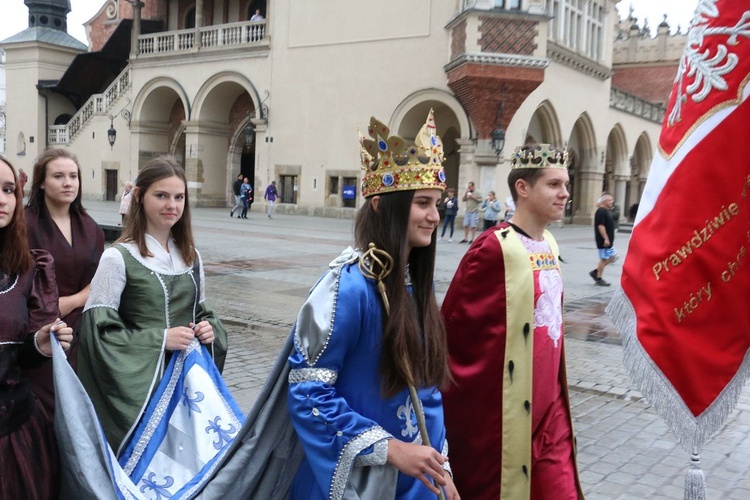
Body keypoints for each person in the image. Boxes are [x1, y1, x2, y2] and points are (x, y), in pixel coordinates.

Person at [287, 112, 459, 499]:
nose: (434, 216)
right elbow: (307, 393)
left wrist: (442, 474)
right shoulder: (347, 288)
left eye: (437, 204)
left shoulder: (414, 286)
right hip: (356, 482)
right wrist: (391, 450)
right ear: (382, 206)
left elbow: (426, 392)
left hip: (416, 483)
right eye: (422, 203)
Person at [441, 144, 584, 499]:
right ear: (523, 188)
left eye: (565, 184)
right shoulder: (492, 249)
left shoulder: (549, 244)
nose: (565, 193)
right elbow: (457, 337)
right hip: (508, 421)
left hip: (552, 414)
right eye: (554, 185)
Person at [78, 157, 229, 455]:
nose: (171, 205)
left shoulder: (191, 256)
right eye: (161, 195)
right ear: (139, 196)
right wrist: (160, 340)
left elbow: (202, 311)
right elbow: (97, 336)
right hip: (141, 388)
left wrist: (210, 330)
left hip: (188, 385)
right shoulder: (118, 258)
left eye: (179, 197)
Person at [0, 154, 74, 498]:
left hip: (14, 433)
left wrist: (39, 344)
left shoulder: (25, 268)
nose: (2, 199)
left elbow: (17, 355)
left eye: (9, 189)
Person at [23, 147, 105, 420]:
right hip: (38, 332)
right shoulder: (24, 225)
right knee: (47, 412)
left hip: (84, 335)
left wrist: (76, 300)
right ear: (42, 182)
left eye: (73, 176)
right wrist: (69, 301)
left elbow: (101, 282)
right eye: (58, 176)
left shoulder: (91, 227)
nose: (68, 182)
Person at [589, 193, 617, 287]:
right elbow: (601, 226)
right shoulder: (601, 211)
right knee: (604, 258)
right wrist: (606, 239)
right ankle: (599, 278)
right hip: (604, 241)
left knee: (612, 256)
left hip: (608, 241)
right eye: (610, 200)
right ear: (604, 201)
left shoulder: (605, 211)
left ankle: (596, 271)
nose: (612, 202)